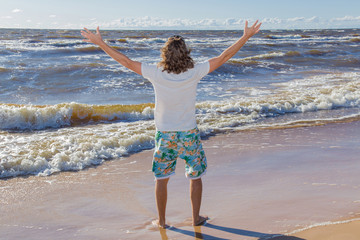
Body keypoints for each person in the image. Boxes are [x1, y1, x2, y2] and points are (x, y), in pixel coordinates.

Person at [81, 20, 261, 228]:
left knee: (161, 178)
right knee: (195, 176)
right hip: (189, 134)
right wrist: (245, 36)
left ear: (164, 54)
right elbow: (224, 56)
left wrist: (100, 43)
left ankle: (163, 222)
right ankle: (195, 219)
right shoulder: (194, 72)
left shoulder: (157, 73)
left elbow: (127, 62)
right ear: (186, 53)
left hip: (166, 134)